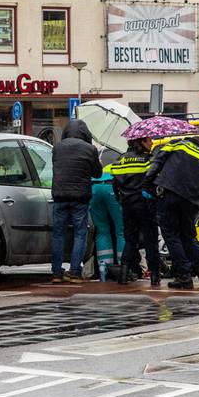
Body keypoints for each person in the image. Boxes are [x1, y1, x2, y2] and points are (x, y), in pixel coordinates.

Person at [145, 134, 199, 289]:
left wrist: (147, 184)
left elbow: (156, 163)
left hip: (169, 193)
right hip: (192, 202)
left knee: (171, 236)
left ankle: (184, 276)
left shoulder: (175, 144)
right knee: (189, 237)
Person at [105, 137, 162, 285]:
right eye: (149, 140)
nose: (152, 143)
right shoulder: (148, 159)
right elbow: (154, 181)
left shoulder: (120, 160)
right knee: (151, 241)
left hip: (127, 206)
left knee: (130, 240)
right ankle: (155, 277)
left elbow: (115, 185)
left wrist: (121, 200)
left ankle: (123, 275)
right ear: (141, 142)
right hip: (146, 206)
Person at [50, 120, 101, 283]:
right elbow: (97, 174)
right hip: (80, 198)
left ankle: (57, 273)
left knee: (58, 234)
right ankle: (74, 271)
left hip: (59, 196)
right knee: (80, 233)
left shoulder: (57, 148)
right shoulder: (90, 149)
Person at [89, 167, 125, 282]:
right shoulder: (121, 160)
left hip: (94, 187)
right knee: (121, 231)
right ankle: (123, 266)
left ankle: (103, 266)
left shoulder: (104, 160)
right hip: (111, 188)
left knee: (102, 230)